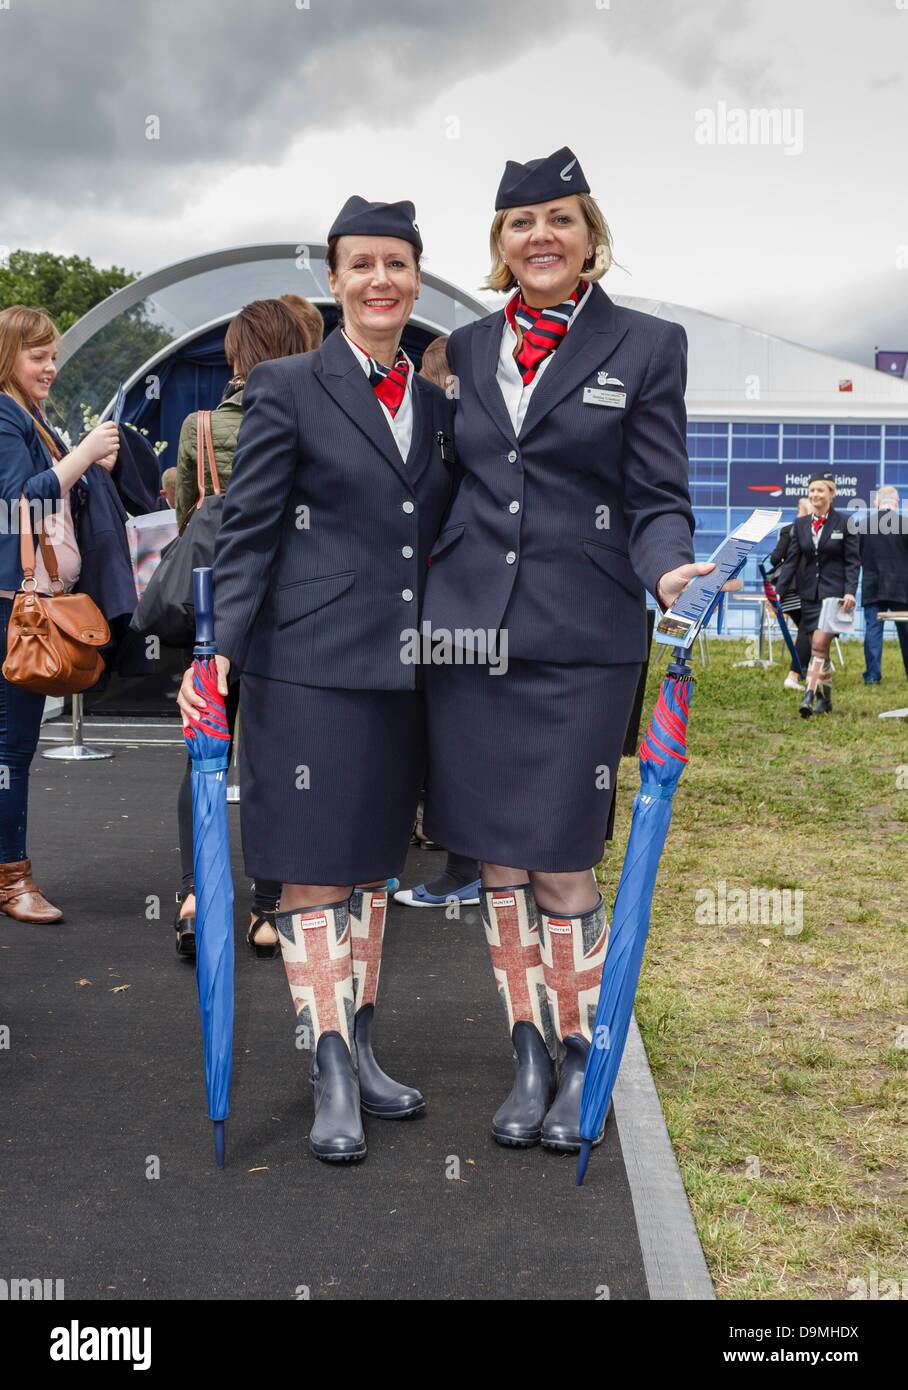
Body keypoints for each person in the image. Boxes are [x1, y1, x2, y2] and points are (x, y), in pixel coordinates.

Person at [421, 146, 713, 1153]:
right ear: (497, 246)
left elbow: (656, 496)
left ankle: (584, 1041)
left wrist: (668, 570)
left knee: (560, 853)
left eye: (559, 218)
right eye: (519, 223)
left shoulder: (646, 344)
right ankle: (528, 1049)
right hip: (465, 634)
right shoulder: (458, 346)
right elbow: (435, 489)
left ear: (589, 235)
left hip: (580, 634)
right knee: (497, 854)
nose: (539, 236)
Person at [177, 197, 456, 1163]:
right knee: (311, 867)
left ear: (416, 278)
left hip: (403, 674)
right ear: (334, 281)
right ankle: (328, 1061)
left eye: (398, 264)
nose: (383, 280)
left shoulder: (437, 400)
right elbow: (248, 531)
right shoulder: (290, 384)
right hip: (303, 669)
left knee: (374, 865)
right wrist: (215, 657)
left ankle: (365, 1047)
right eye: (362, 264)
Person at [171, 298, 316, 959]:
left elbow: (183, 524)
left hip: (215, 613)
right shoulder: (314, 416)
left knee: (206, 752)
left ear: (234, 355)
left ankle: (197, 897)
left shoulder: (200, 427)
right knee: (278, 761)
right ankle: (268, 909)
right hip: (290, 613)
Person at [0, 305, 119, 922]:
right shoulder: (5, 412)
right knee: (11, 747)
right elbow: (20, 497)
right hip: (13, 605)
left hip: (20, 601)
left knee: (11, 745)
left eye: (52, 356)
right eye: (36, 356)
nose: (49, 367)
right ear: (8, 357)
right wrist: (84, 455)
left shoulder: (28, 414)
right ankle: (12, 880)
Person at [393, 333, 481, 910]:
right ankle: (466, 865)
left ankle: (467, 868)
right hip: (447, 603)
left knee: (458, 738)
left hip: (454, 604)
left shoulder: (460, 430)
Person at [775, 473, 860, 716]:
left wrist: (850, 592)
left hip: (835, 597)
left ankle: (808, 695)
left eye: (820, 491)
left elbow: (853, 562)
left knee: (820, 645)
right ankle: (826, 699)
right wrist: (778, 593)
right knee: (819, 648)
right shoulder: (800, 525)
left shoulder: (846, 523)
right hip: (809, 597)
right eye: (812, 490)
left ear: (831, 494)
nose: (815, 495)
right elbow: (791, 561)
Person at [860, 485, 908, 683]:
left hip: (873, 585)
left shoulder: (863, 525)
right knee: (906, 632)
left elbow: (858, 556)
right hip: (902, 587)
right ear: (897, 503)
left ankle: (872, 676)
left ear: (876, 502)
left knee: (873, 629)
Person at [768, 497, 812, 689]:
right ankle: (795, 673)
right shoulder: (818, 529)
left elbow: (776, 558)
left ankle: (803, 670)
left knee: (808, 629)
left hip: (789, 589)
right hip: (808, 587)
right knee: (808, 629)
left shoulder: (789, 530)